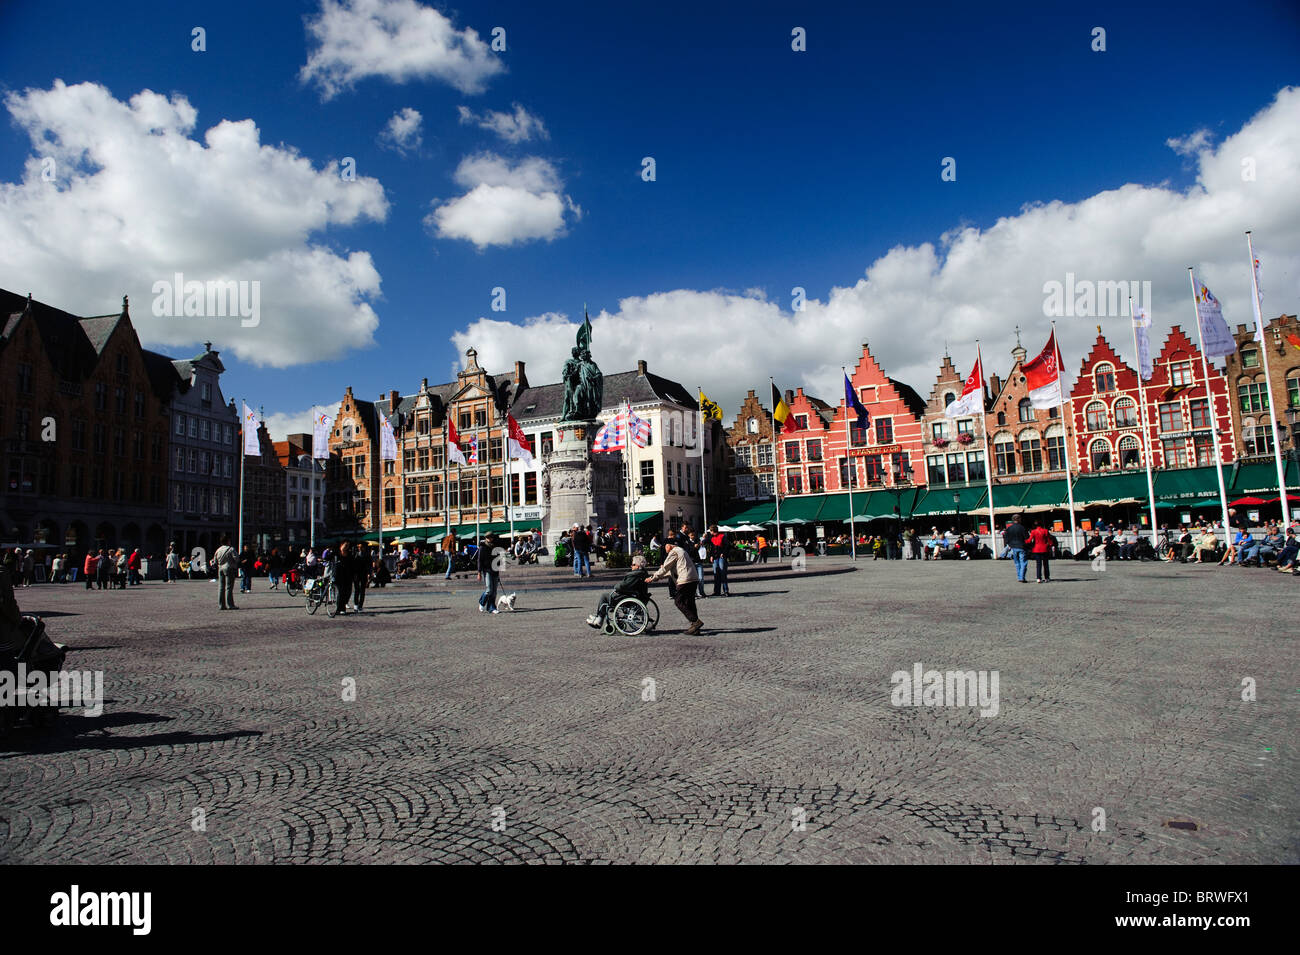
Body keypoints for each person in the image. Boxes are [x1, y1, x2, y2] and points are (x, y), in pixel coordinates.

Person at [647, 539, 703, 634]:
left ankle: (696, 622)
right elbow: (669, 570)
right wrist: (655, 577)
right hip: (693, 578)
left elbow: (665, 568)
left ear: (669, 545)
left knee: (678, 601)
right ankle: (695, 628)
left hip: (685, 580)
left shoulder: (674, 552)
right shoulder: (681, 551)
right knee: (690, 603)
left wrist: (653, 577)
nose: (665, 550)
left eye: (665, 547)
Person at [587, 555, 651, 628]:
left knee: (604, 596)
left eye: (633, 564)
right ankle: (598, 617)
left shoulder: (635, 575)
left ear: (637, 565)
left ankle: (599, 619)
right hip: (636, 596)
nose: (631, 566)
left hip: (629, 598)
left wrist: (616, 586)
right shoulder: (643, 573)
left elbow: (623, 586)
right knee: (608, 596)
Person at [477, 533, 501, 614]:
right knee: (489, 590)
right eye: (488, 537)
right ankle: (482, 602)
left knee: (494, 591)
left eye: (491, 537)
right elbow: (479, 560)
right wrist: (479, 572)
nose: (490, 539)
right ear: (486, 538)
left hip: (495, 570)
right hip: (487, 570)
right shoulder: (482, 547)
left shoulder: (495, 546)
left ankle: (491, 607)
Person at [213, 535, 238, 610]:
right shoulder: (231, 549)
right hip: (229, 568)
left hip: (220, 568)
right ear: (228, 541)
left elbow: (215, 561)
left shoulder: (218, 550)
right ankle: (230, 604)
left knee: (221, 587)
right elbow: (236, 558)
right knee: (229, 587)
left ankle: (221, 605)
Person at [708, 524, 730, 597]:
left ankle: (726, 591)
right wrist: (711, 555)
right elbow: (712, 548)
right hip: (715, 558)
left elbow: (727, 546)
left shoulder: (723, 536)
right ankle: (717, 591)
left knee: (722, 573)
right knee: (716, 575)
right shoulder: (712, 538)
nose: (710, 532)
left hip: (721, 557)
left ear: (713, 531)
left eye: (710, 531)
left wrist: (723, 553)